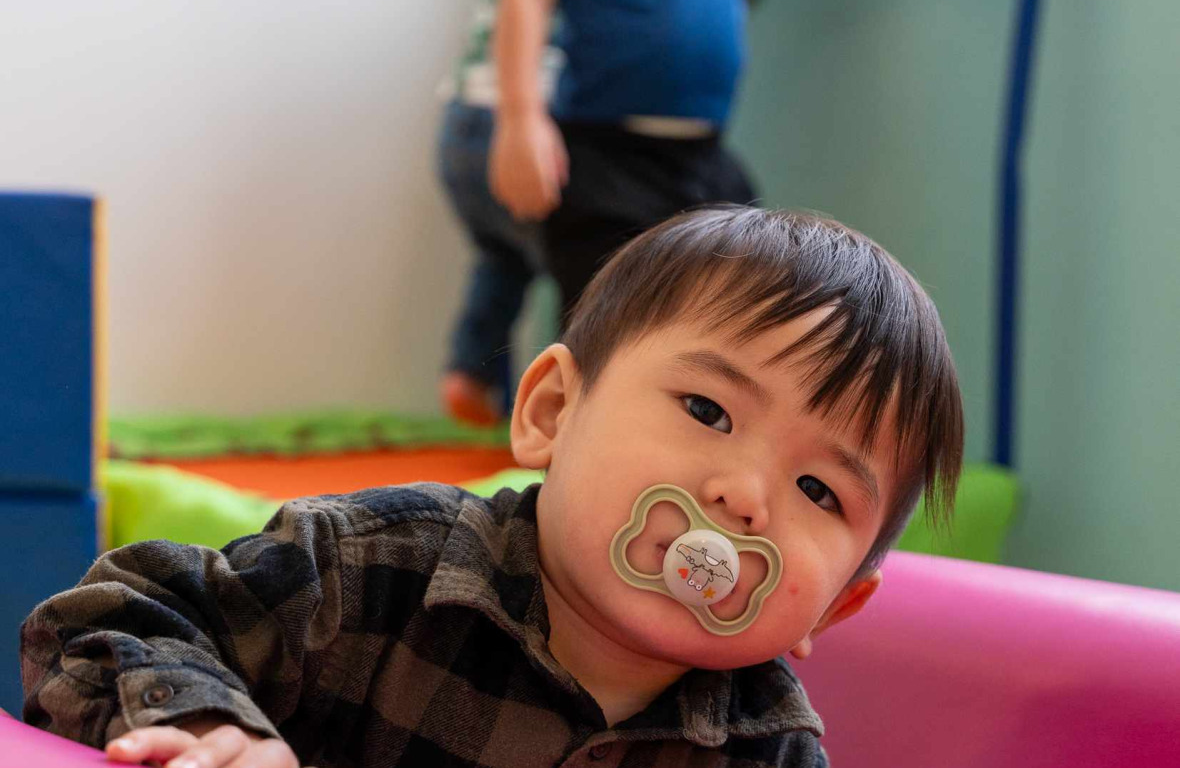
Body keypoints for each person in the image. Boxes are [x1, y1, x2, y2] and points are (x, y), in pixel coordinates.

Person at [21, 207, 964, 767]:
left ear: (834, 609)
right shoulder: (368, 567)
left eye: (817, 488)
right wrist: (206, 722)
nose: (746, 496)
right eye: (709, 412)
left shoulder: (769, 747)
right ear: (551, 411)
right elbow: (102, 619)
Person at [490, 0, 759, 323]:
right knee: (602, 325)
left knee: (725, 312)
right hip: (607, 154)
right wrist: (520, 118)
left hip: (704, 156)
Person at [437, 0, 564, 424]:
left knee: (500, 257)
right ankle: (555, 405)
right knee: (580, 272)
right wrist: (521, 116)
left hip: (461, 123)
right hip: (521, 125)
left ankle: (473, 371)